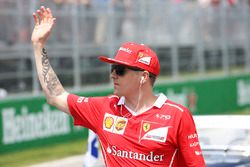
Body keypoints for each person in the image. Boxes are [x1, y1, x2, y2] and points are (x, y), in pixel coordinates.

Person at [31, 6, 206, 167]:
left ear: (143, 77)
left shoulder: (178, 116)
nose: (113, 74)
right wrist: (38, 46)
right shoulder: (103, 108)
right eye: (113, 68)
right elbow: (55, 95)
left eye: (120, 70)